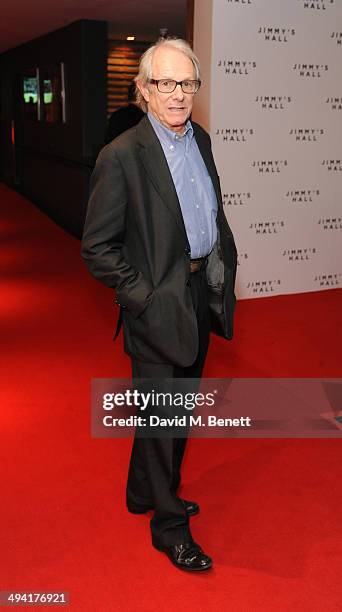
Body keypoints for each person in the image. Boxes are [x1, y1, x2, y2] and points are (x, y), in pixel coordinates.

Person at [81, 38, 237, 572]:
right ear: (144, 90)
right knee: (161, 412)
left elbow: (208, 214)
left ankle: (142, 492)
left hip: (197, 294)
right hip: (154, 302)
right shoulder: (121, 155)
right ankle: (168, 525)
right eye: (164, 83)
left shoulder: (203, 142)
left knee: (178, 409)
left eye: (186, 83)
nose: (177, 94)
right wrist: (142, 298)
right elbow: (97, 248)